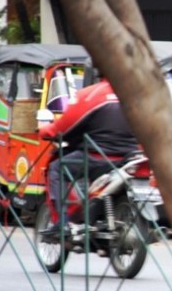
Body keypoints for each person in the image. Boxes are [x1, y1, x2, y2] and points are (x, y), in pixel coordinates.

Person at [38, 80, 139, 232]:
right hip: (130, 157)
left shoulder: (91, 94)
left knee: (56, 168)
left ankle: (63, 223)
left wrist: (45, 131)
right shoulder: (138, 94)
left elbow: (63, 127)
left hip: (96, 157)